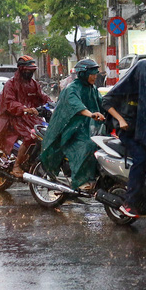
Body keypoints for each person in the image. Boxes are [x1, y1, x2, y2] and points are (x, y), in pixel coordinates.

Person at [103, 53, 146, 218]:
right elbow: (106, 101)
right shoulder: (127, 86)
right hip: (128, 133)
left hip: (144, 132)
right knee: (141, 159)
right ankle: (129, 202)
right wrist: (121, 120)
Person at [41, 59, 105, 191]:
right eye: (92, 74)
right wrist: (91, 114)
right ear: (83, 74)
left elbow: (103, 103)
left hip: (86, 128)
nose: (95, 76)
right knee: (88, 145)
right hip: (70, 129)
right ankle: (80, 180)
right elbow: (76, 105)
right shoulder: (72, 88)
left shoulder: (92, 88)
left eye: (95, 73)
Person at [0, 55, 51, 179]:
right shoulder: (11, 84)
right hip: (14, 118)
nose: (31, 73)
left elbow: (43, 97)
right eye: (28, 70)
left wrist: (53, 104)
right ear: (21, 69)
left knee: (47, 133)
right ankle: (17, 166)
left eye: (32, 70)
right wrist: (24, 109)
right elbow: (9, 102)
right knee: (31, 135)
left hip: (31, 117)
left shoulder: (34, 84)